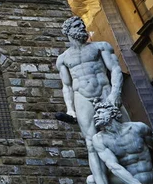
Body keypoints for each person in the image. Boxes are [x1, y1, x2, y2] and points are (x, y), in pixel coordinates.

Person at [56, 16, 124, 184]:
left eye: (83, 24)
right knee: (91, 143)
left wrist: (115, 94)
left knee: (120, 132)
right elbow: (67, 86)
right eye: (78, 25)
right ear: (68, 31)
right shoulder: (63, 59)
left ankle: (127, 171)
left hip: (104, 91)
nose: (82, 27)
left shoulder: (100, 47)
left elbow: (115, 69)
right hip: (82, 97)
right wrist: (69, 109)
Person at [92, 101, 153, 184]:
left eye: (100, 112)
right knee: (91, 180)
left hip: (150, 175)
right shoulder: (99, 139)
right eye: (95, 113)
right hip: (127, 181)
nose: (95, 116)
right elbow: (113, 166)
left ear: (112, 113)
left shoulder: (138, 128)